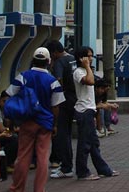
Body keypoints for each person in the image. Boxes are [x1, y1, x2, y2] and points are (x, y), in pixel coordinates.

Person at [8, 47, 66, 192]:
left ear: (33, 60)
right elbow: (56, 106)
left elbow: (10, 95)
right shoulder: (53, 81)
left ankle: (17, 187)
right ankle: (39, 189)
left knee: (23, 156)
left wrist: (13, 118)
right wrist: (54, 124)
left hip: (27, 120)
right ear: (48, 62)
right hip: (45, 122)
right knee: (43, 157)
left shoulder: (23, 76)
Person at [73, 46, 119, 181]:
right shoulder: (78, 72)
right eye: (88, 56)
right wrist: (87, 66)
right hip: (84, 110)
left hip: (89, 110)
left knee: (93, 144)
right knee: (85, 144)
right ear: (81, 58)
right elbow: (90, 82)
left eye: (91, 56)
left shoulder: (87, 71)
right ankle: (82, 172)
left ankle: (104, 169)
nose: (91, 59)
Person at [47, 40, 77, 178]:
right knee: (67, 133)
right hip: (74, 99)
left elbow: (58, 80)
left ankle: (66, 167)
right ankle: (67, 165)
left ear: (54, 53)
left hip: (63, 101)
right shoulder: (71, 59)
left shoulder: (59, 62)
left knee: (62, 134)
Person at [0, 91, 18, 175]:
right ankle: (7, 163)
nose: (6, 104)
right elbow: (1, 129)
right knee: (13, 138)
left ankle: (13, 161)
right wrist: (14, 130)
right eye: (4, 101)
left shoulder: (6, 109)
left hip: (1, 133)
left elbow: (8, 125)